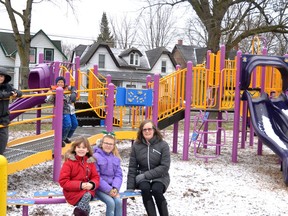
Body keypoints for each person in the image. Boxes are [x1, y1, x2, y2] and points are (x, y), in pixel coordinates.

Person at [126, 119, 171, 216]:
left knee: (156, 190)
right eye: (144, 129)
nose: (147, 131)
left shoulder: (163, 145)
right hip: (142, 177)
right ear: (141, 132)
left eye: (149, 129)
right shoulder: (136, 146)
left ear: (154, 130)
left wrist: (146, 175)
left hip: (160, 176)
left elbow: (165, 166)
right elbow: (132, 167)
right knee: (145, 189)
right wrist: (130, 187)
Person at [59, 136, 100, 216]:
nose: (81, 149)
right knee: (86, 207)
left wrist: (92, 184)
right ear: (75, 148)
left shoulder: (90, 162)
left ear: (87, 150)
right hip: (72, 192)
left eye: (84, 147)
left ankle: (77, 212)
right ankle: (78, 213)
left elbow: (95, 177)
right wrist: (80, 185)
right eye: (79, 147)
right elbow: (63, 182)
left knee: (87, 196)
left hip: (87, 190)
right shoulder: (69, 163)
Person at [93, 132, 123, 216]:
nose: (108, 145)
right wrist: (108, 190)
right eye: (106, 143)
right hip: (99, 188)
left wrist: (115, 188)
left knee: (118, 202)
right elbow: (96, 176)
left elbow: (118, 175)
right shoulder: (95, 157)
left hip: (112, 188)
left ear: (114, 146)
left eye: (111, 144)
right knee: (111, 203)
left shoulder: (115, 158)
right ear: (101, 143)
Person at [46, 76, 78, 147]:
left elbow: (74, 88)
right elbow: (48, 100)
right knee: (68, 124)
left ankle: (67, 137)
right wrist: (53, 95)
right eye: (59, 82)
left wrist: (74, 93)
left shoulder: (67, 88)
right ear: (56, 83)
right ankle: (61, 139)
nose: (60, 83)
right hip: (63, 110)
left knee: (75, 124)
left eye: (62, 82)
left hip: (70, 109)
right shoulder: (53, 90)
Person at [0, 67, 22, 155]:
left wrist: (16, 93)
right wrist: (10, 94)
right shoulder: (7, 90)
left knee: (3, 139)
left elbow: (19, 92)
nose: (0, 78)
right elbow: (1, 95)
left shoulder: (7, 86)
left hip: (4, 117)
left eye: (2, 76)